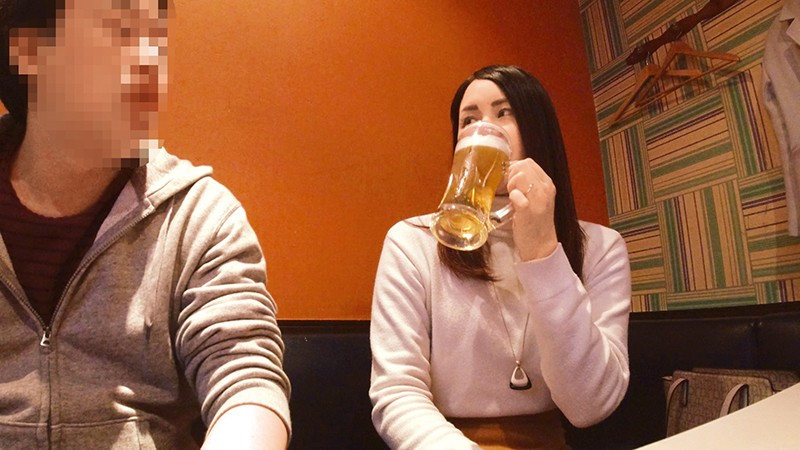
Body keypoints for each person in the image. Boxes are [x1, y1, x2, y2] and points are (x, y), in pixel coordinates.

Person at [0, 1, 290, 448]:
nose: (150, 61)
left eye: (157, 39)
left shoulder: (197, 216)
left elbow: (246, 383)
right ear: (30, 50)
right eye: (121, 32)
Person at [369, 65, 631, 450]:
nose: (482, 129)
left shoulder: (602, 247)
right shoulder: (411, 242)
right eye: (468, 120)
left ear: (538, 129)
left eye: (503, 112)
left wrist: (543, 252)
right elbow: (396, 392)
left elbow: (589, 404)